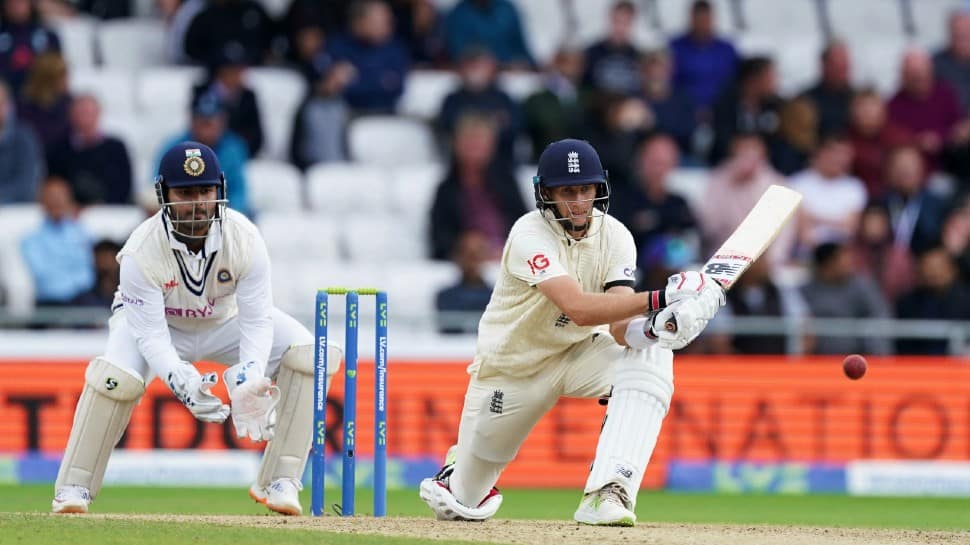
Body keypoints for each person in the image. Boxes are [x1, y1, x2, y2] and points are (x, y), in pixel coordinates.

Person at [418, 139, 724, 526]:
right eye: (567, 192)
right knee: (462, 503)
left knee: (653, 355)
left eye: (586, 190)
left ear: (599, 188)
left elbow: (618, 328)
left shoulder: (616, 236)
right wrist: (664, 295)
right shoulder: (529, 234)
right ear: (546, 193)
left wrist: (663, 324)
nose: (579, 202)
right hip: (513, 370)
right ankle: (457, 470)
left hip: (580, 354)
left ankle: (608, 492)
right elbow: (578, 308)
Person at [50, 141, 343, 516]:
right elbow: (152, 336)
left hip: (224, 320)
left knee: (310, 355)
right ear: (163, 195)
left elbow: (256, 318)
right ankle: (74, 487)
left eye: (205, 190)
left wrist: (250, 378)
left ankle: (280, 481)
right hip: (157, 326)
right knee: (115, 379)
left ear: (219, 191)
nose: (198, 202)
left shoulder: (245, 239)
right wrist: (180, 380)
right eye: (185, 192)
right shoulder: (141, 251)